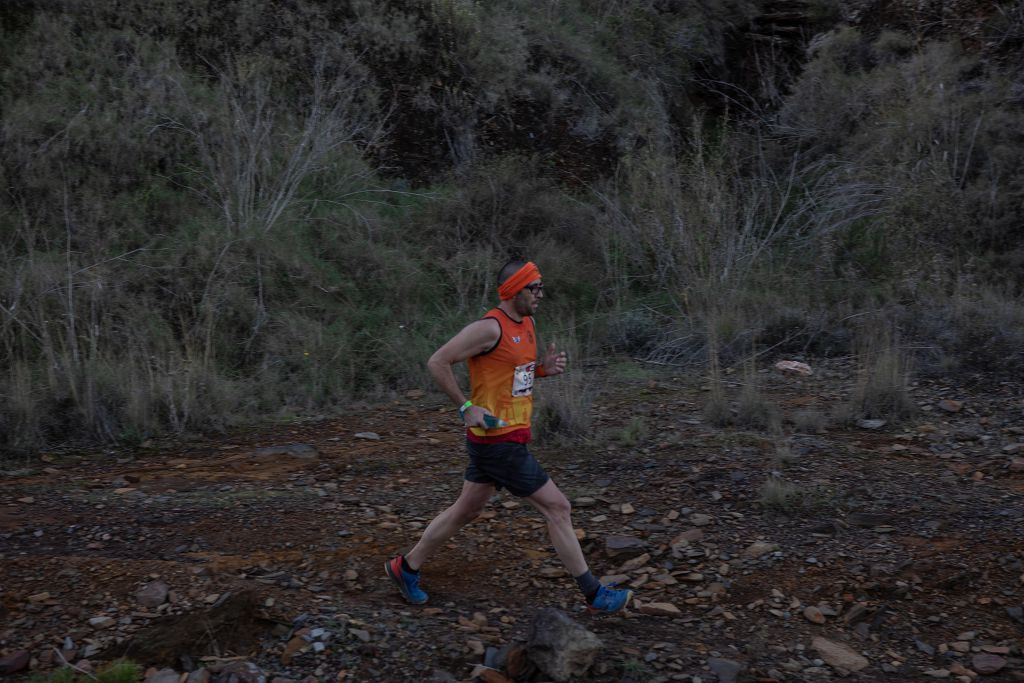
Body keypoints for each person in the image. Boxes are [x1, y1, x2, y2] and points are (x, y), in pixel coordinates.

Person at [385, 260, 633, 615]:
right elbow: (437, 361)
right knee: (558, 508)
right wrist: (465, 406)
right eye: (535, 288)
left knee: (466, 509)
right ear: (515, 289)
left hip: (508, 436)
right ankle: (594, 594)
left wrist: (543, 369)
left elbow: (512, 372)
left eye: (541, 287)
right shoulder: (489, 328)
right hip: (496, 440)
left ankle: (405, 568)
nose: (541, 295)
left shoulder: (528, 324)